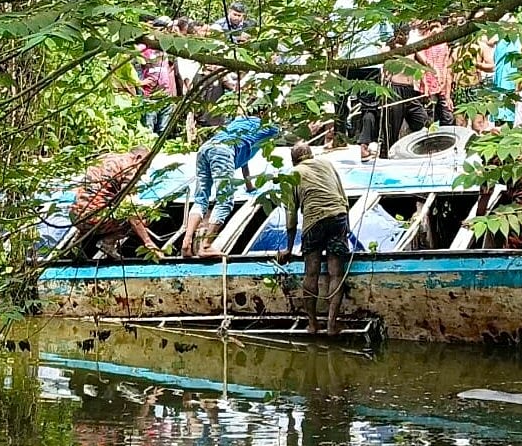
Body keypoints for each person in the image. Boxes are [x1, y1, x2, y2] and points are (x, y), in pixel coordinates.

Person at [277, 142, 350, 335]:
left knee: (311, 273)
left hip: (314, 222)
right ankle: (332, 325)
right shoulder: (327, 164)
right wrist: (346, 228)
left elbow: (291, 216)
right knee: (336, 272)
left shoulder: (291, 175)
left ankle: (313, 324)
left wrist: (288, 248)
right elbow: (343, 198)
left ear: (293, 161)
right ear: (311, 154)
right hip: (338, 217)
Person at [181, 114, 278, 257]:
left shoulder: (239, 122)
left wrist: (249, 186)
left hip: (206, 148)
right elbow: (289, 135)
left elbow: (244, 160)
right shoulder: (267, 128)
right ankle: (206, 246)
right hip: (223, 152)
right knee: (225, 200)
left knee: (201, 199)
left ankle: (186, 241)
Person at [330, 0, 393, 161]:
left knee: (340, 101)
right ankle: (364, 146)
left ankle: (339, 138)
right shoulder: (377, 4)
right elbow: (387, 36)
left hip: (347, 59)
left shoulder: (341, 2)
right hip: (370, 61)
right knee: (369, 106)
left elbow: (332, 33)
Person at [70, 146, 164, 259]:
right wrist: (148, 242)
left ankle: (76, 242)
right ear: (138, 158)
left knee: (95, 203)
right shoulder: (130, 169)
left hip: (75, 215)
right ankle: (108, 242)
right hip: (93, 219)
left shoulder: (109, 157)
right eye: (145, 167)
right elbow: (129, 208)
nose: (144, 173)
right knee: (144, 216)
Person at [382, 24, 427, 150]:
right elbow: (382, 63)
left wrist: (430, 78)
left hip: (410, 90)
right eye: (403, 34)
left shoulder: (411, 48)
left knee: (421, 119)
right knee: (393, 125)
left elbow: (424, 64)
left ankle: (415, 146)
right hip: (395, 89)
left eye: (407, 34)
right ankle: (387, 151)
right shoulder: (390, 49)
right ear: (397, 34)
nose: (406, 37)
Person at [415, 18, 453, 126]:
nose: (435, 30)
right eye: (432, 27)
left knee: (447, 115)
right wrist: (425, 85)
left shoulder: (444, 45)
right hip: (429, 84)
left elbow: (446, 65)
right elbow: (421, 65)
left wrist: (447, 89)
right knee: (429, 116)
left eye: (437, 27)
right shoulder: (424, 43)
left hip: (442, 84)